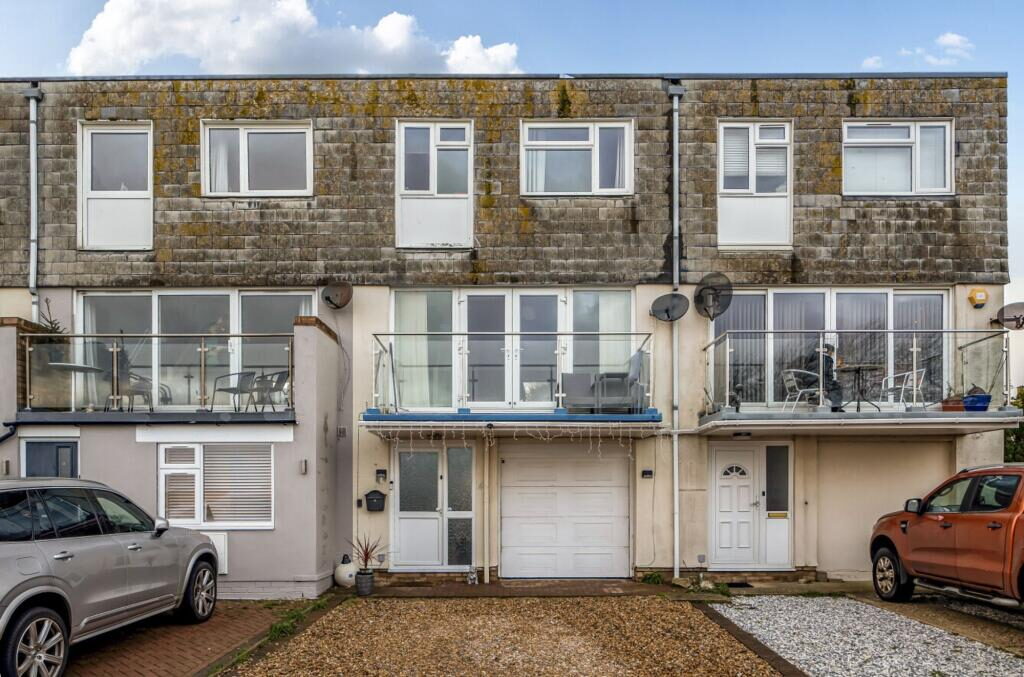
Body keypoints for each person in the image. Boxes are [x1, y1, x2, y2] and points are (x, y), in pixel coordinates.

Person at [804, 343, 844, 412]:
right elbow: (829, 376)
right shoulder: (827, 359)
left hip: (809, 385)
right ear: (829, 351)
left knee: (831, 386)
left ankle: (816, 398)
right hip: (819, 384)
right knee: (836, 386)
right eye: (833, 352)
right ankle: (835, 407)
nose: (833, 354)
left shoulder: (811, 359)